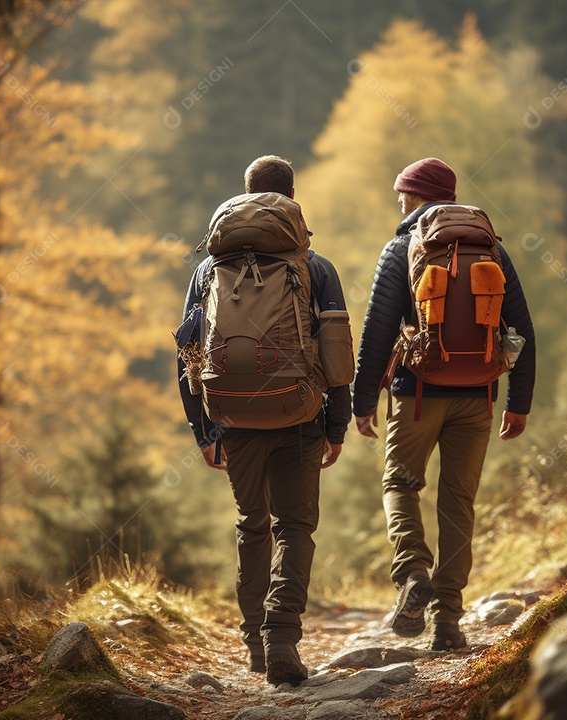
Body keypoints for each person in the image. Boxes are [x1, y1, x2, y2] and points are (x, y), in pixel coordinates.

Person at [177, 155, 352, 685]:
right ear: (292, 198)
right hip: (300, 413)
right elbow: (338, 354)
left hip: (232, 415)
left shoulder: (209, 270)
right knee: (294, 526)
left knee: (252, 525)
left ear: (246, 195)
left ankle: (255, 644)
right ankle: (282, 638)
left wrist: (204, 429)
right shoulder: (315, 267)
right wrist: (337, 425)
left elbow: (188, 350)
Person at [353, 157, 536, 651]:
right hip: (477, 396)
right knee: (458, 503)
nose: (399, 200)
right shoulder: (492, 249)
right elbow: (521, 329)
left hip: (417, 395)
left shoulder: (401, 249)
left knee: (401, 482)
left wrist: (361, 399)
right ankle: (448, 623)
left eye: (403, 193)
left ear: (415, 197)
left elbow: (376, 331)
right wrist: (519, 402)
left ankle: (413, 571)